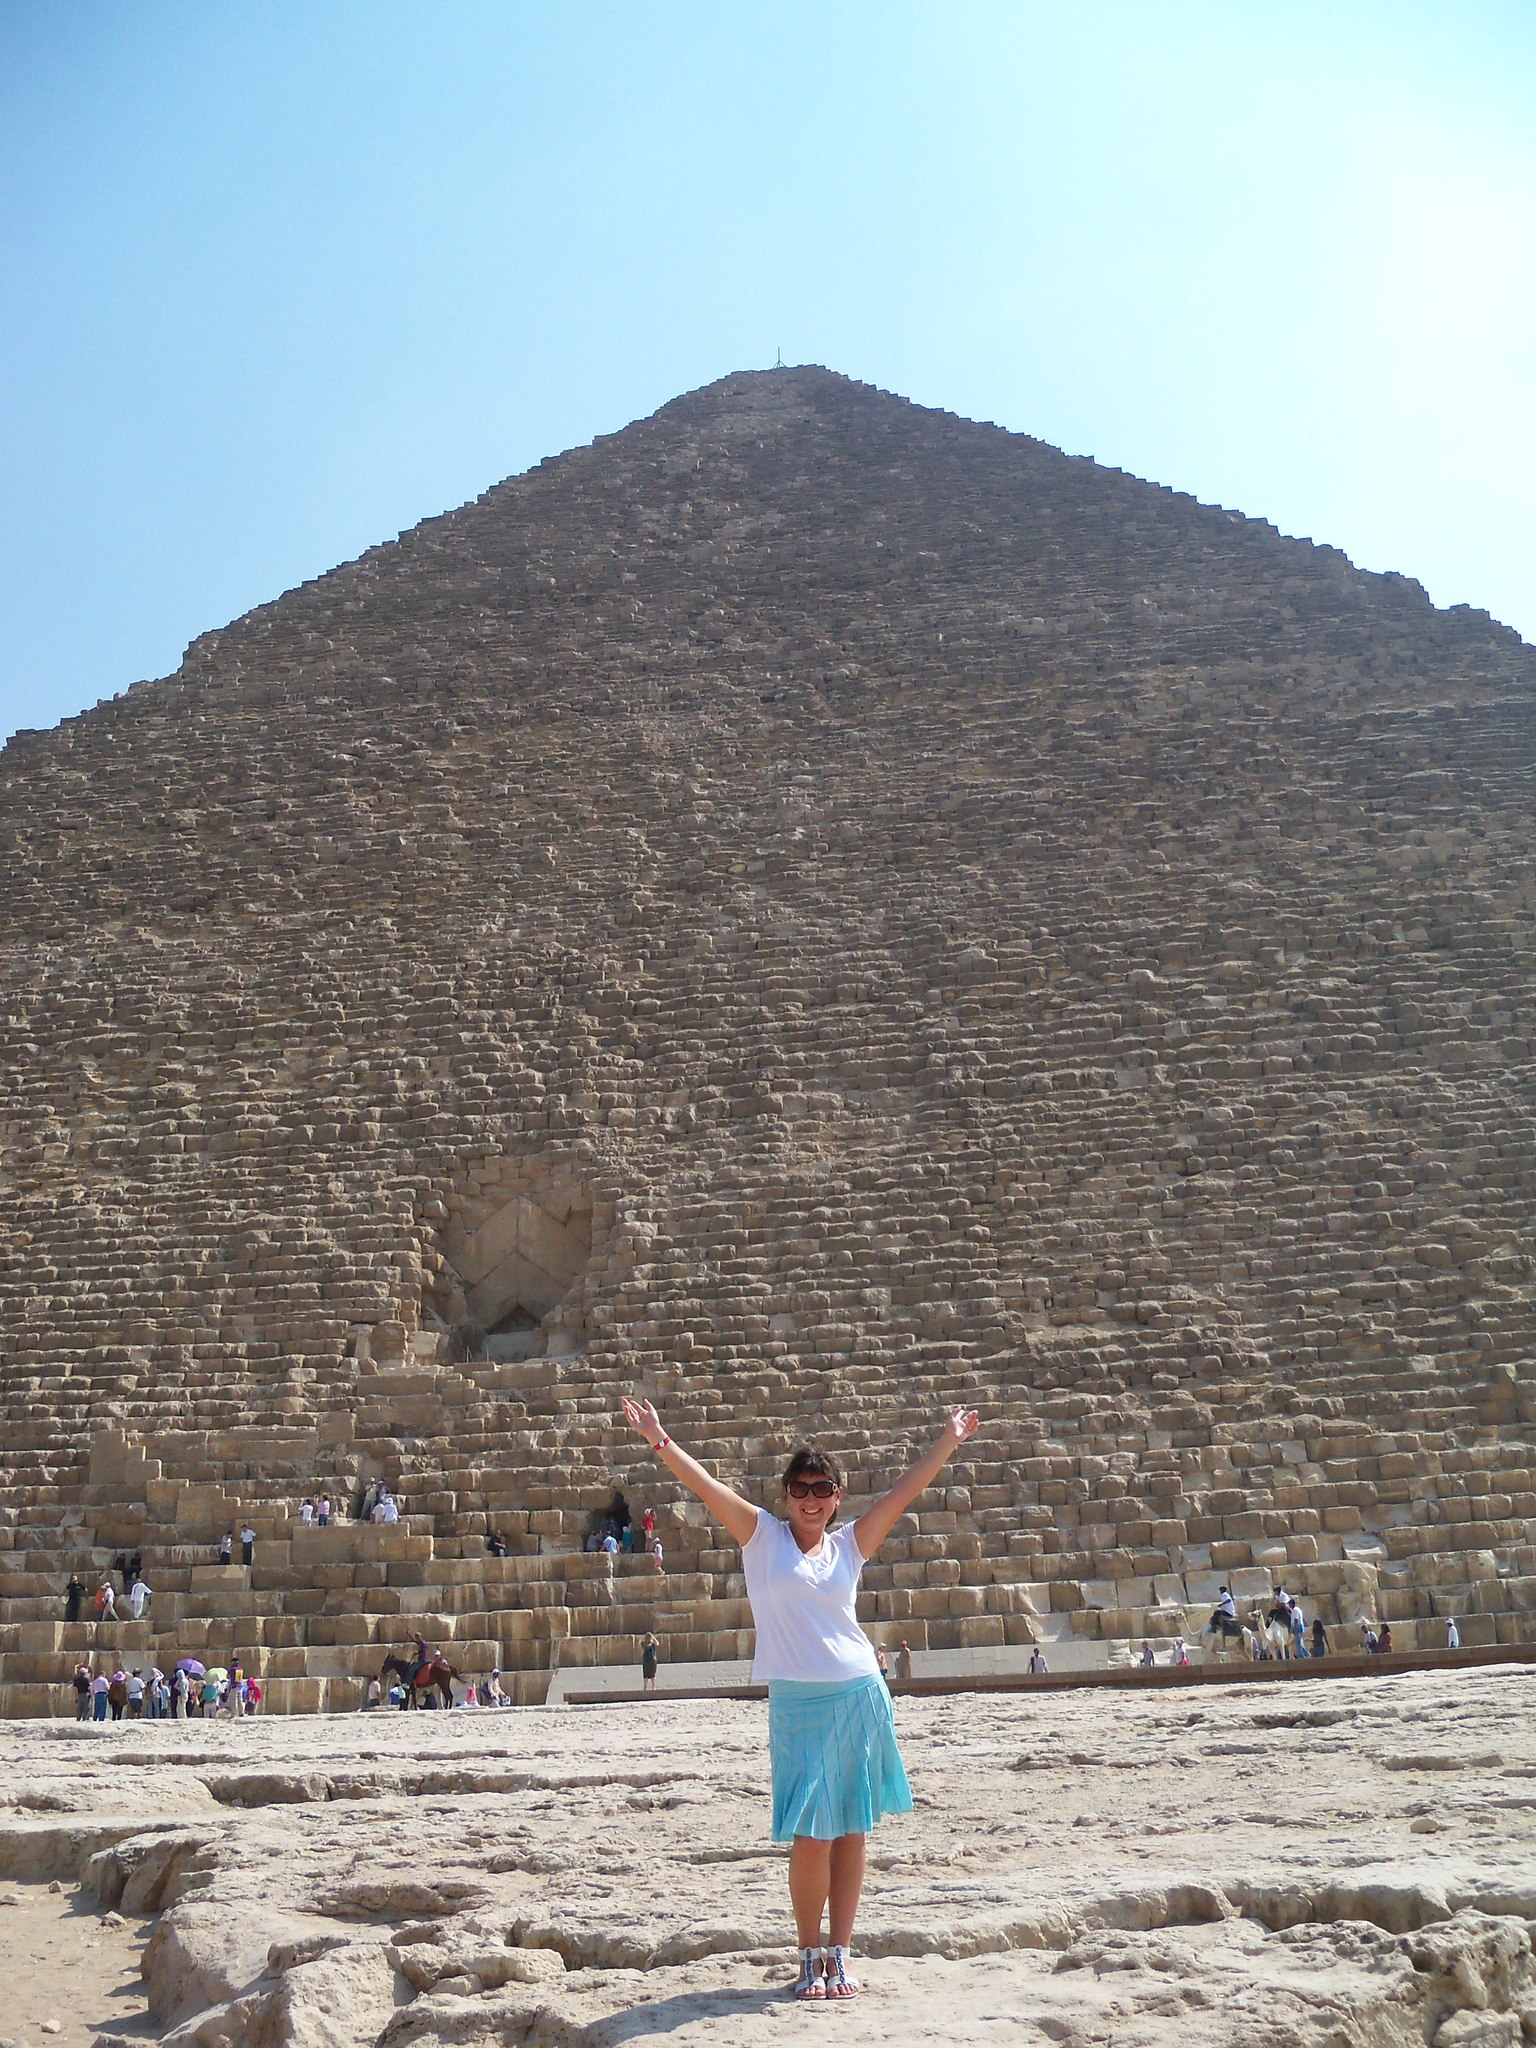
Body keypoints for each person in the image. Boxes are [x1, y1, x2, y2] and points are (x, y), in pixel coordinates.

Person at [621, 1391, 979, 2002]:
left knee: (852, 1830)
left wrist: (948, 1441)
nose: (811, 1499)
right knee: (810, 1834)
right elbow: (706, 1487)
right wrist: (659, 1439)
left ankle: (841, 1953)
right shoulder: (761, 1537)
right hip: (797, 1703)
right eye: (800, 1489)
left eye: (823, 1489)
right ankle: (808, 1953)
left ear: (837, 1496)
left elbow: (903, 1493)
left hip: (859, 1695)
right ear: (786, 1495)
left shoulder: (850, 1544)